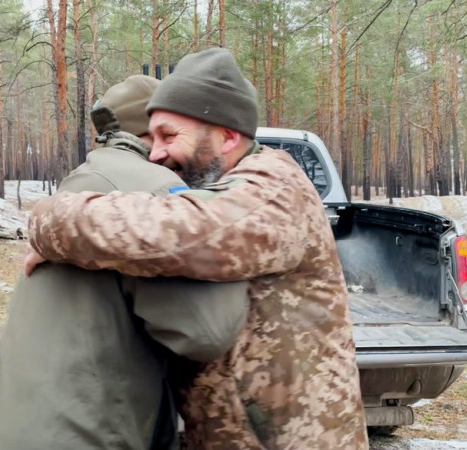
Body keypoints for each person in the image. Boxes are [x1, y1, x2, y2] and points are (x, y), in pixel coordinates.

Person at [26, 48, 369, 449]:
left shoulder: (274, 190)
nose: (155, 153)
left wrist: (52, 221)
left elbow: (186, 233)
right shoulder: (221, 188)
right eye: (151, 138)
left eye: (169, 136)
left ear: (227, 136)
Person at [0, 75, 250, 450]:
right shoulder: (157, 189)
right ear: (153, 131)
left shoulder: (85, 177)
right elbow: (208, 331)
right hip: (85, 434)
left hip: (4, 420)